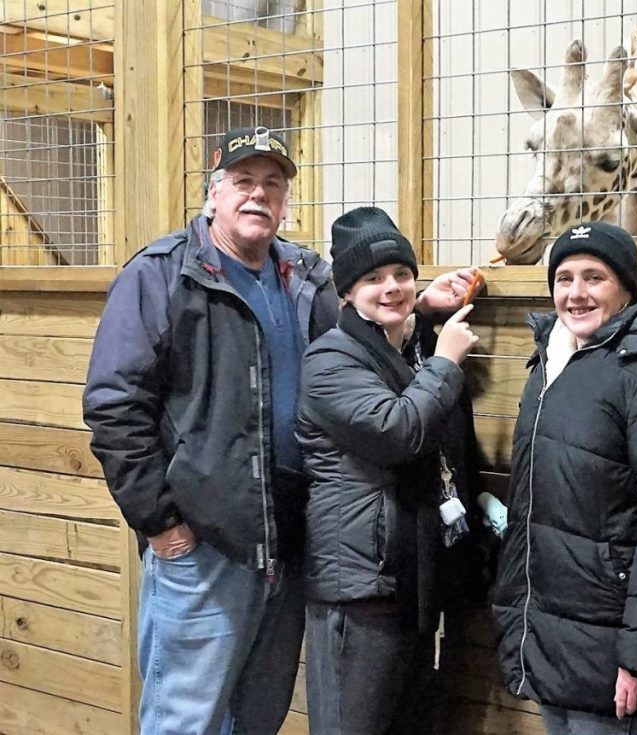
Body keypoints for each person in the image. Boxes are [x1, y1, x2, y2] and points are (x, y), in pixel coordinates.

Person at [83, 127, 479, 735]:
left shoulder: (305, 275)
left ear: (286, 200)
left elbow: (362, 317)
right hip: (208, 540)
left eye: (273, 185)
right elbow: (114, 405)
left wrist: (418, 304)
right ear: (214, 195)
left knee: (260, 714)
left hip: (290, 538)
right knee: (187, 717)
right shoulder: (163, 275)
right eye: (243, 182)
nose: (258, 196)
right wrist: (160, 521)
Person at [490, 221, 637, 735]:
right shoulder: (549, 367)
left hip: (616, 648)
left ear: (627, 289)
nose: (576, 293)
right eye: (564, 277)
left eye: (594, 277)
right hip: (555, 637)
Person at [296, 206, 484, 735]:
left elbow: (399, 369)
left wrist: (422, 315)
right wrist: (446, 360)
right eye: (373, 279)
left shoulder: (401, 345)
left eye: (401, 274)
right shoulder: (328, 361)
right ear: (346, 294)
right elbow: (398, 431)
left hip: (404, 577)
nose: (391, 287)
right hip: (356, 587)